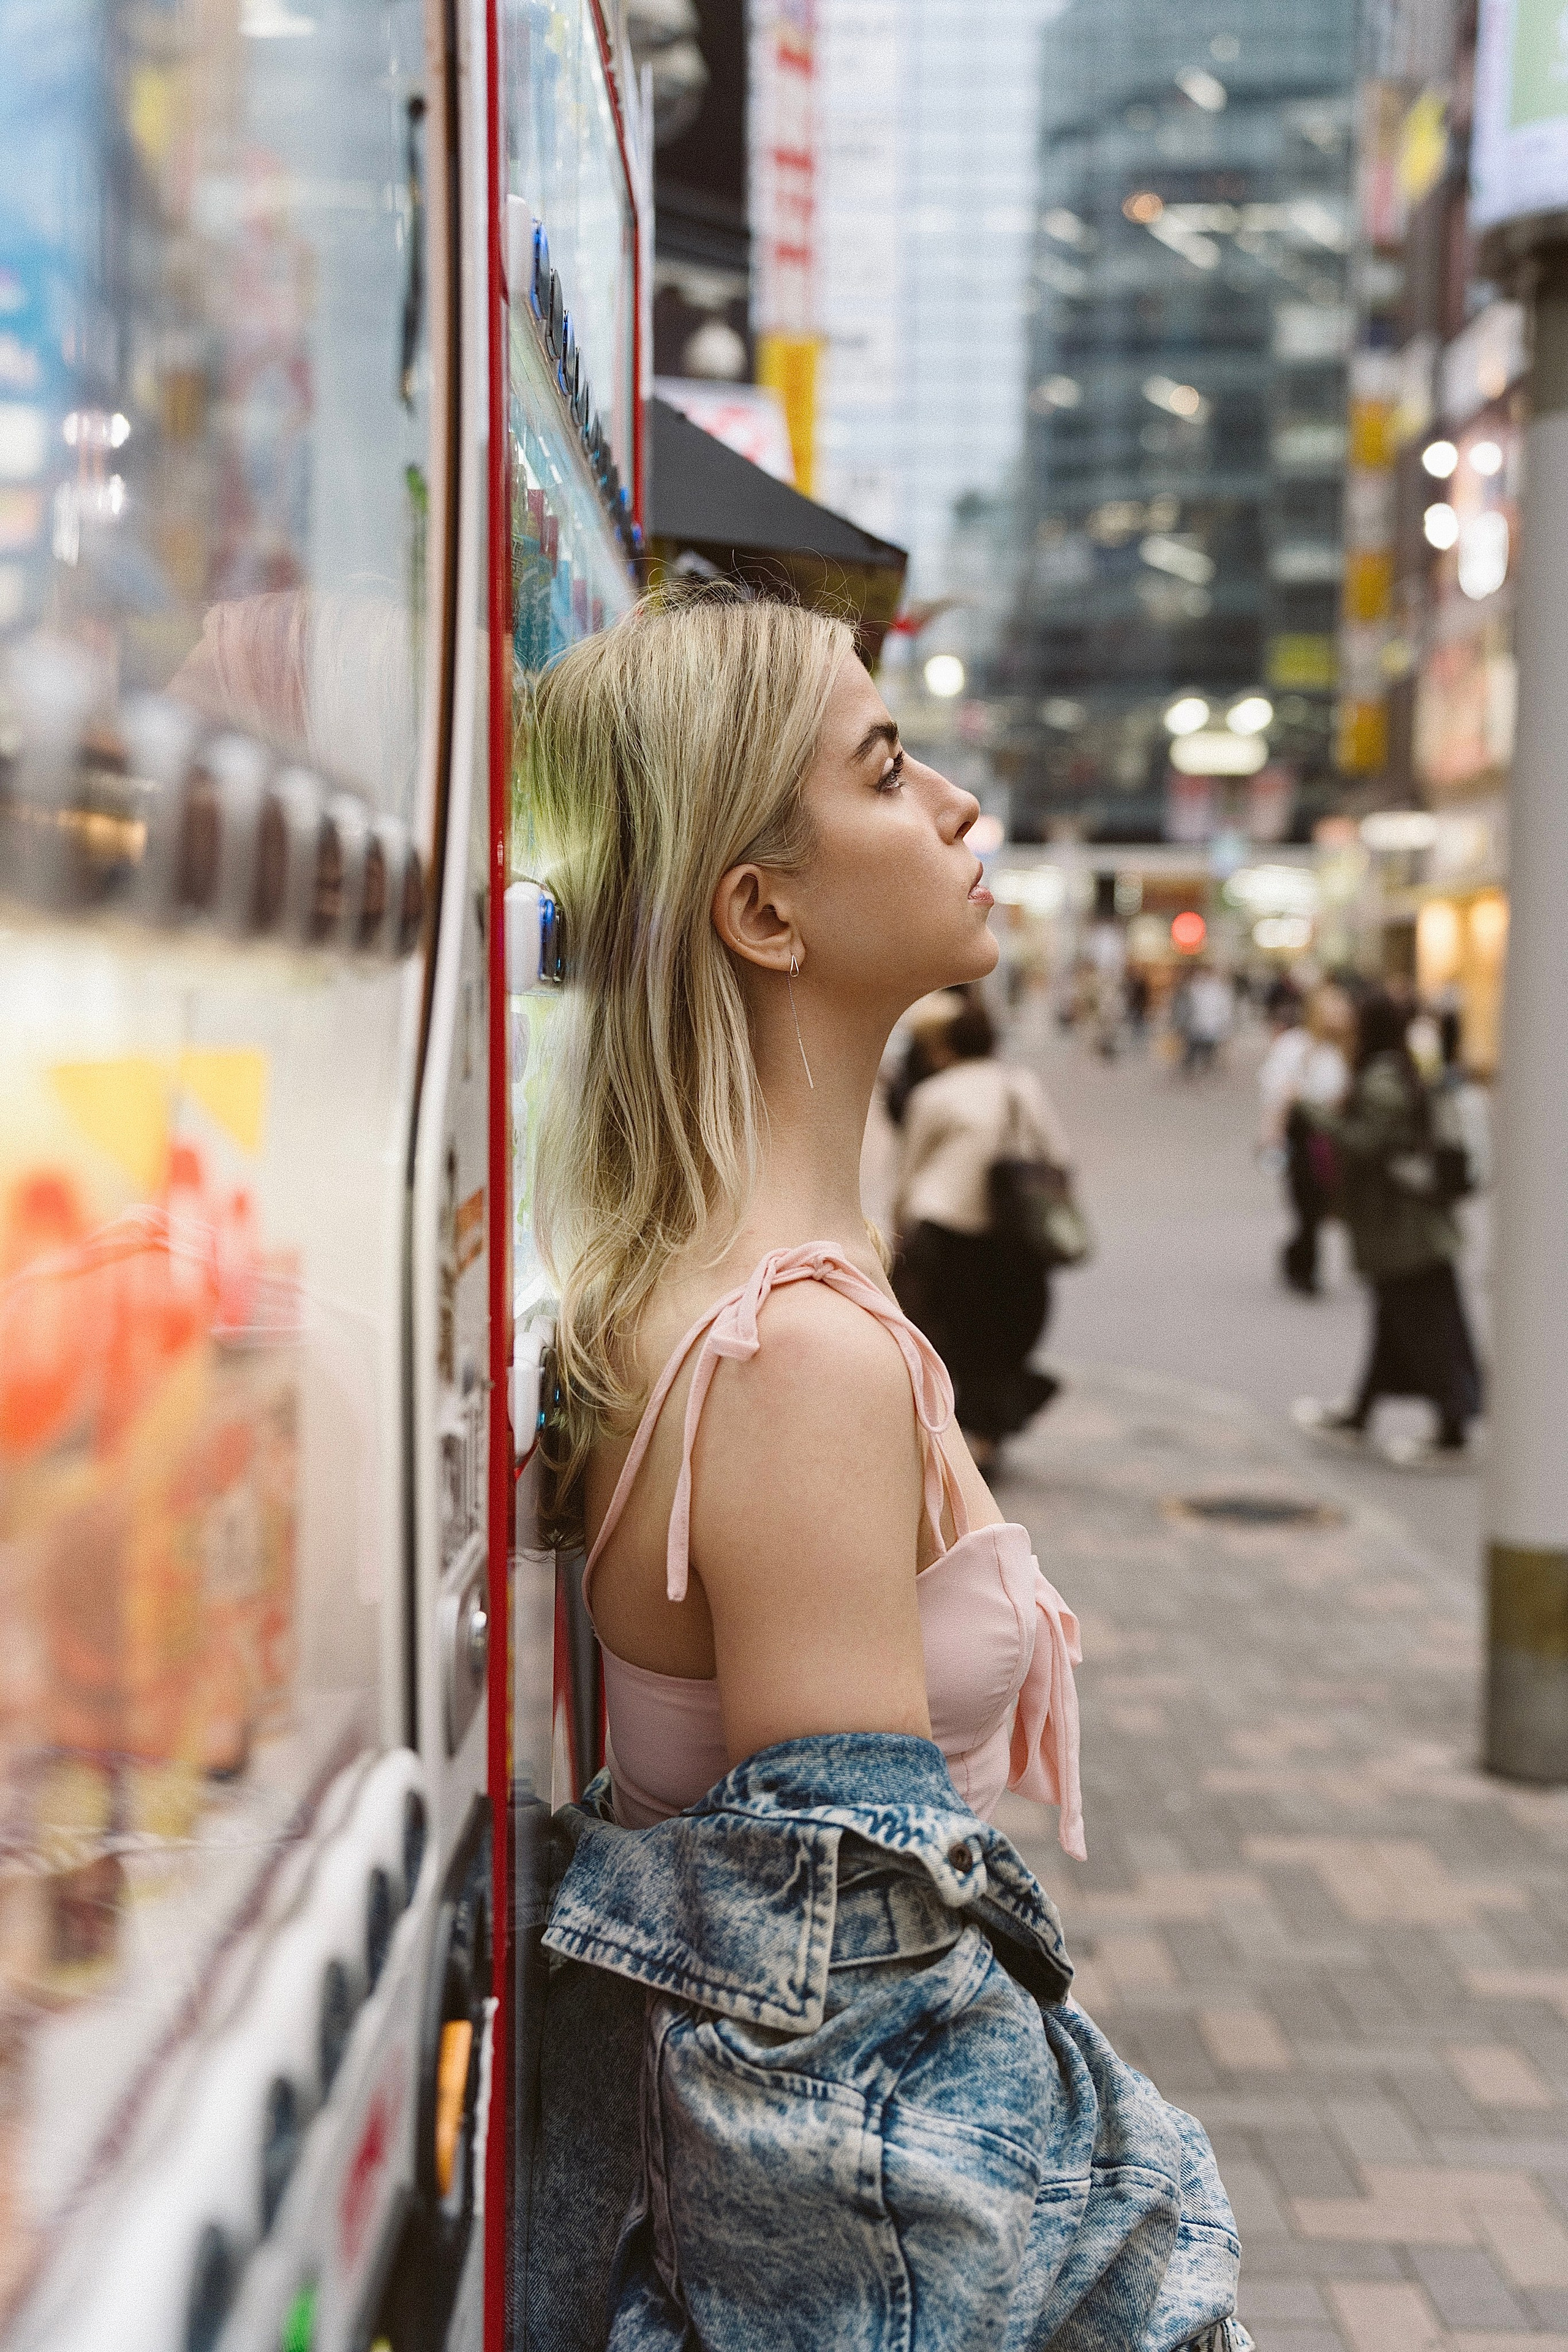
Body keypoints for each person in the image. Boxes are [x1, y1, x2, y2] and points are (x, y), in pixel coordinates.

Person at [521, 587, 1251, 2352]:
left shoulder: (730, 1297)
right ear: (764, 910)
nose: (956, 808)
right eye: (888, 768)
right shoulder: (799, 1363)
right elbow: (837, 2076)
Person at [1294, 990, 1482, 1459]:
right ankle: (1363, 1414)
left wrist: (1315, 1114)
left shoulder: (1380, 1078)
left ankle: (1451, 1426)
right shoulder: (1398, 1067)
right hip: (1412, 1231)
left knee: (1424, 1327)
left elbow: (1367, 1143)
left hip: (1405, 1233)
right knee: (1399, 1325)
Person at [892, 991, 1069, 1469]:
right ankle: (987, 1433)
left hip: (943, 1230)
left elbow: (908, 1172)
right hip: (1009, 1235)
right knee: (998, 1334)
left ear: (944, 1047)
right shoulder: (1021, 1085)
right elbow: (1056, 1155)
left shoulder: (933, 1094)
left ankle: (950, 1433)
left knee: (945, 1336)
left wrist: (895, 1229)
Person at [1258, 982, 1352, 1294]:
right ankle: (1304, 1267)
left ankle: (1298, 1256)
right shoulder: (1295, 1045)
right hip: (1304, 1134)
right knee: (1307, 1204)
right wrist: (1271, 1133)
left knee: (1325, 1204)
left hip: (1336, 1135)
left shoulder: (1347, 1048)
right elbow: (1278, 1092)